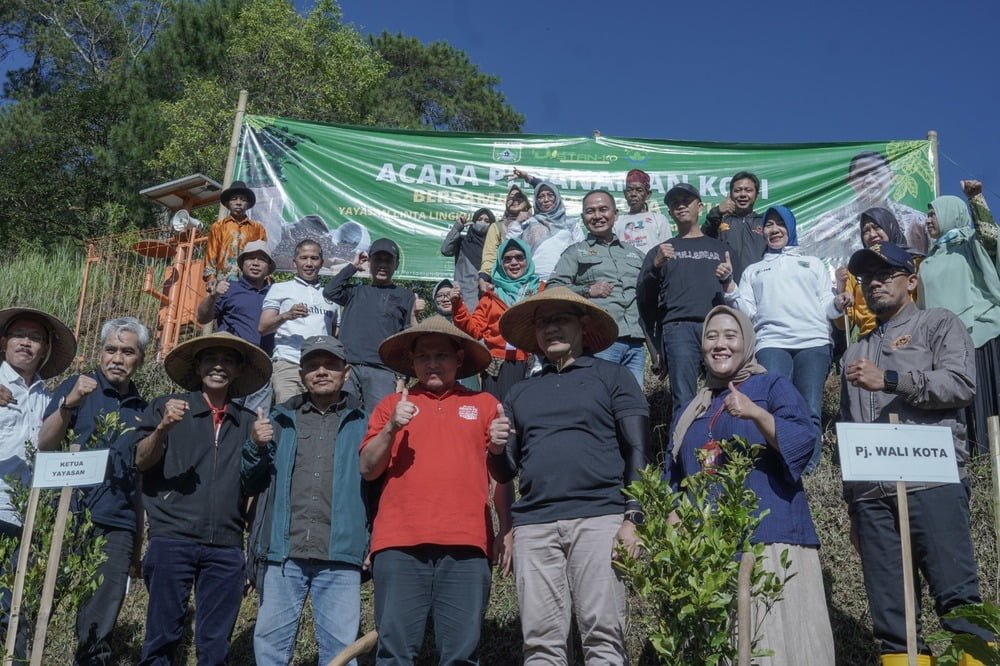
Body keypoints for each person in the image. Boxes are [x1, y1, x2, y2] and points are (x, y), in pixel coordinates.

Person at [842, 242, 993, 662]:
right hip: (873, 496)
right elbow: (847, 431)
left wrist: (890, 379)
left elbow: (961, 385)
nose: (873, 282)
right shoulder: (854, 351)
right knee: (894, 621)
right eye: (866, 276)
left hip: (933, 479)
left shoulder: (939, 324)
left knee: (961, 602)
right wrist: (854, 506)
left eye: (885, 273)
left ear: (911, 280)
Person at [487, 287, 649, 665]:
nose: (552, 328)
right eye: (544, 322)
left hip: (600, 518)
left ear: (583, 325)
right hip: (535, 527)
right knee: (540, 644)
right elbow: (507, 470)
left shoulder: (614, 377)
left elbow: (638, 449)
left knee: (604, 635)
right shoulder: (520, 392)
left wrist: (634, 517)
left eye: (561, 319)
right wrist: (495, 450)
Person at [667, 305, 834, 665]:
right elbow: (675, 478)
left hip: (772, 538)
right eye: (711, 337)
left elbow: (803, 441)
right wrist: (674, 517)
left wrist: (757, 413)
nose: (720, 344)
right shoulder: (690, 410)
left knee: (778, 642)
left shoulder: (771, 385)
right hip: (710, 550)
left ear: (747, 341)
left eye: (730, 335)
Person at [360, 317, 511, 665]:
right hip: (398, 543)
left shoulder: (486, 404)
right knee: (395, 653)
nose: (432, 363)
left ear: (459, 358)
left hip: (468, 543)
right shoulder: (390, 406)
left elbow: (502, 476)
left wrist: (506, 526)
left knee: (461, 655)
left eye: (441, 354)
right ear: (411, 361)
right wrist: (392, 428)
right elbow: (368, 469)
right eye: (423, 355)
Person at [132, 332, 271, 665]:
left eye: (227, 361)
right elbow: (139, 461)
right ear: (197, 367)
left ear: (238, 370)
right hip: (172, 539)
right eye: (210, 359)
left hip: (226, 545)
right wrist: (163, 428)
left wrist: (257, 447)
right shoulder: (168, 408)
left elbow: (254, 486)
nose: (218, 366)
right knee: (162, 636)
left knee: (214, 644)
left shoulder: (249, 422)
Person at [243, 336, 369, 666]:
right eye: (313, 366)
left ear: (347, 372)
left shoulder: (366, 424)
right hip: (284, 554)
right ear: (301, 374)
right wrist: (255, 446)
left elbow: (381, 490)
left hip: (340, 554)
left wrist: (373, 542)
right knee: (270, 650)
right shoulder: (278, 420)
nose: (321, 371)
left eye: (331, 365)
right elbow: (249, 482)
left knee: (341, 653)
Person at [37, 317, 149, 666]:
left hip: (117, 524)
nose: (117, 358)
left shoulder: (144, 411)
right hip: (66, 516)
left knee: (99, 623)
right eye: (110, 349)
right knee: (37, 608)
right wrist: (70, 402)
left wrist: (136, 541)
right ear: (99, 354)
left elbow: (139, 482)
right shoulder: (77, 387)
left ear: (140, 359)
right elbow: (44, 443)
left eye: (127, 351)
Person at [723, 206, 844, 472]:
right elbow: (747, 311)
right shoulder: (754, 270)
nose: (774, 230)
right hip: (771, 343)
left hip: (813, 342)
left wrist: (838, 302)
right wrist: (729, 287)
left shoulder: (812, 263)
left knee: (809, 407)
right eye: (769, 225)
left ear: (790, 228)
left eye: (780, 224)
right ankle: (778, 464)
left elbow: (827, 304)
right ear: (762, 231)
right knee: (774, 405)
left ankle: (807, 467)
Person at [0, 307, 76, 660]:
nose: (26, 344)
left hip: (28, 517)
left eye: (35, 338)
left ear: (45, 349)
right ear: (5, 342)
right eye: (20, 335)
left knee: (17, 607)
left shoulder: (50, 399)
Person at [637, 183, 738, 415]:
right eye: (675, 203)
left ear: (700, 207)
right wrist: (655, 267)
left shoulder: (722, 248)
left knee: (725, 395)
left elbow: (741, 294)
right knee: (684, 401)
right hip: (678, 329)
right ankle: (683, 451)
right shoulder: (659, 251)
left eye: (687, 201)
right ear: (670, 212)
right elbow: (644, 299)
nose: (681, 205)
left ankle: (718, 450)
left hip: (717, 327)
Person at [918, 192, 1000, 455]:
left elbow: (991, 237)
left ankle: (993, 464)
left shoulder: (969, 243)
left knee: (986, 406)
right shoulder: (927, 260)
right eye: (928, 214)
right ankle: (971, 465)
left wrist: (976, 199)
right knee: (956, 405)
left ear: (950, 214)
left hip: (980, 335)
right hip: (944, 345)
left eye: (933, 213)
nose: (928, 219)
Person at [549, 189, 648, 388]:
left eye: (603, 209)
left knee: (633, 401)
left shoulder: (636, 254)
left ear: (616, 214)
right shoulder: (575, 252)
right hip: (601, 340)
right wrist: (587, 290)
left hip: (636, 342)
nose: (597, 216)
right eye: (590, 211)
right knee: (599, 396)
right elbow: (554, 288)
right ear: (583, 217)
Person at [324, 238, 416, 410]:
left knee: (379, 424)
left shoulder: (405, 296)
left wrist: (402, 378)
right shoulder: (354, 291)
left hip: (383, 372)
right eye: (378, 260)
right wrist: (352, 266)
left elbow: (407, 338)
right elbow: (330, 291)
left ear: (396, 265)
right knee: (344, 421)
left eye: (388, 261)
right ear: (370, 262)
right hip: (348, 370)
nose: (382, 265)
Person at [801, 151, 928, 271]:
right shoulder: (830, 223)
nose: (869, 180)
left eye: (876, 173)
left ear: (891, 177)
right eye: (861, 174)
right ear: (850, 181)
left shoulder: (915, 221)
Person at [452, 238, 540, 400]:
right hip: (498, 367)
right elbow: (475, 331)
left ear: (528, 260)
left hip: (534, 364)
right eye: (507, 259)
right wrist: (458, 305)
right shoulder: (490, 297)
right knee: (497, 415)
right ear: (500, 264)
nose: (513, 262)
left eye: (519, 257)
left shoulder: (540, 290)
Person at [260, 239, 338, 404]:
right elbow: (263, 328)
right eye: (303, 258)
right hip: (289, 363)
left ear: (321, 262)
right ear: (294, 262)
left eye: (314, 258)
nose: (309, 263)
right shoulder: (279, 288)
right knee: (288, 420)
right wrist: (286, 315)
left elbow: (335, 335)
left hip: (321, 369)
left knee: (320, 420)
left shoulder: (331, 295)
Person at [834, 207, 923, 337]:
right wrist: (841, 288)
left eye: (877, 227)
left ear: (890, 226)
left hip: (908, 336)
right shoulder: (854, 272)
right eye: (866, 231)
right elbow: (843, 324)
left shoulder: (915, 263)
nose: (872, 234)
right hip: (869, 343)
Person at [197, 240, 276, 354]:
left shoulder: (276, 293)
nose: (255, 263)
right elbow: (202, 318)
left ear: (269, 267)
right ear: (242, 264)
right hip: (235, 358)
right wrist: (212, 297)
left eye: (262, 259)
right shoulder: (228, 289)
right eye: (250, 258)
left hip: (267, 361)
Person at [507, 169, 585, 280]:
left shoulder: (570, 224)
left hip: (565, 281)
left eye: (550, 195)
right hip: (534, 281)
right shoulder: (529, 223)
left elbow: (581, 250)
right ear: (536, 200)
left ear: (557, 198)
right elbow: (509, 245)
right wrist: (516, 223)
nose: (546, 199)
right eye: (541, 196)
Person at [701, 171, 766, 280]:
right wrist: (717, 212)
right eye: (737, 190)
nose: (743, 194)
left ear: (757, 195)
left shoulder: (764, 222)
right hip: (726, 285)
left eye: (748, 190)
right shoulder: (720, 220)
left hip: (758, 284)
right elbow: (702, 241)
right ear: (730, 195)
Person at [203, 180, 268, 286]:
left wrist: (265, 276)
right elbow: (211, 252)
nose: (238, 202)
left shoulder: (257, 228)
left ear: (248, 204)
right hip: (223, 280)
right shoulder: (218, 226)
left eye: (243, 200)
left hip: (250, 282)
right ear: (228, 203)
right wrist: (211, 277)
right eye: (234, 199)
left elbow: (263, 255)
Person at [480, 185, 532, 292]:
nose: (514, 201)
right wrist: (484, 278)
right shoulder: (497, 227)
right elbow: (490, 257)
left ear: (526, 202)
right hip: (505, 284)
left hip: (533, 283)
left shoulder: (536, 223)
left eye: (519, 197)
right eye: (510, 198)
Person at [441, 208, 494, 308]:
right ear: (473, 222)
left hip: (487, 299)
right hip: (465, 299)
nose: (482, 222)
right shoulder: (463, 242)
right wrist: (457, 227)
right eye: (479, 219)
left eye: (487, 221)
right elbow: (445, 250)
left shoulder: (493, 247)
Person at [613, 169, 673, 257]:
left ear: (648, 195)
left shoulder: (659, 219)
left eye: (639, 190)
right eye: (630, 190)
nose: (633, 194)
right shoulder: (617, 221)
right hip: (626, 269)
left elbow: (667, 250)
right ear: (625, 194)